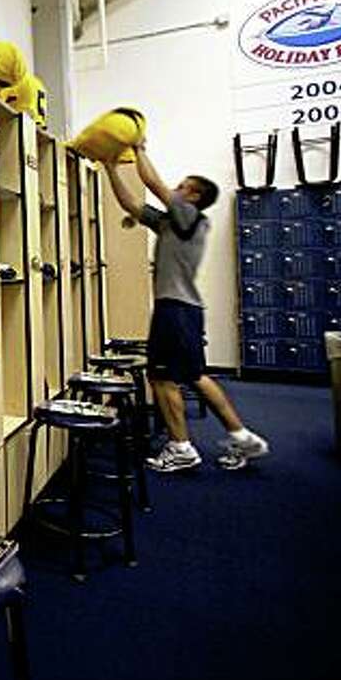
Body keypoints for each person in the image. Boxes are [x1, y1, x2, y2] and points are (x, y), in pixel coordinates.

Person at [102, 146, 269, 471]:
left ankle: (181, 448)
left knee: (161, 377)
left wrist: (138, 147)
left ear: (192, 197)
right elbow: (131, 204)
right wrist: (110, 169)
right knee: (195, 375)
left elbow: (152, 183)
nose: (175, 190)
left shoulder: (189, 216)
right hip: (185, 309)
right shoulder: (174, 223)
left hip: (175, 309)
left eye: (182, 187)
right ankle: (244, 437)